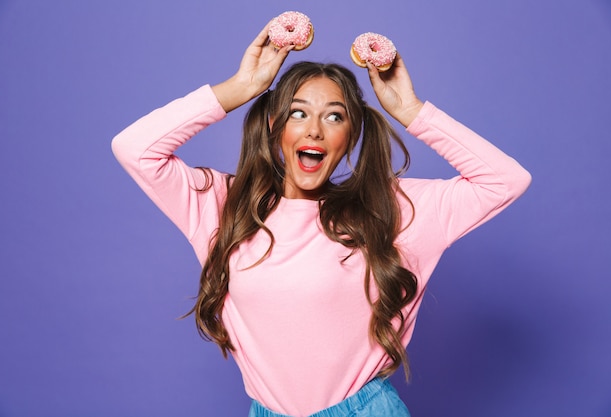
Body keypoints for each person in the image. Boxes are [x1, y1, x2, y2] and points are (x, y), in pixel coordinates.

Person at [111, 18, 531, 417]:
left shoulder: (391, 210)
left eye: (334, 116)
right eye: (298, 113)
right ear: (275, 125)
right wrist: (241, 87)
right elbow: (134, 148)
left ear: (350, 136)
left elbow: (506, 180)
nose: (314, 130)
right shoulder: (224, 204)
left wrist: (411, 110)